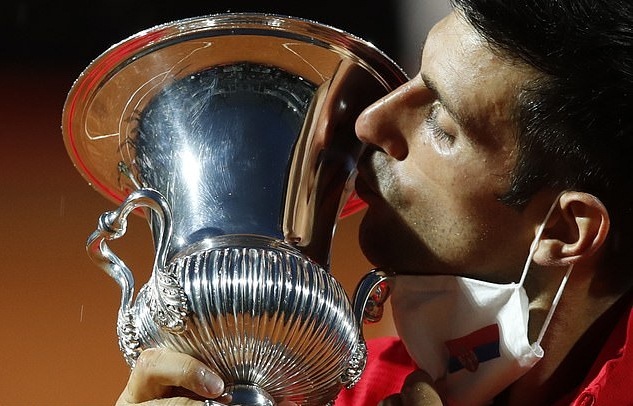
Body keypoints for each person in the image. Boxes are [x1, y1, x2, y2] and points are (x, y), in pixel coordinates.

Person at [115, 0, 633, 405]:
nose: (370, 122)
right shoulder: (351, 387)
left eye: (442, 124)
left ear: (565, 230)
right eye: (415, 78)